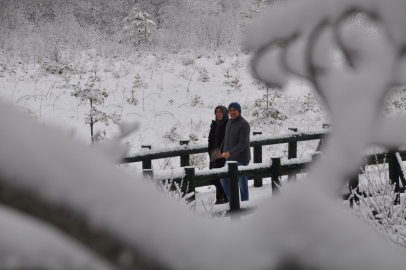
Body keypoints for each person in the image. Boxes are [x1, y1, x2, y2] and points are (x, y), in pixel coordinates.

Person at [221, 102, 251, 201]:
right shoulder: (229, 122)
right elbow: (227, 140)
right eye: (230, 110)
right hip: (230, 159)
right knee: (223, 180)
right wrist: (225, 153)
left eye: (234, 110)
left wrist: (231, 153)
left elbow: (243, 143)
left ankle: (244, 205)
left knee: (242, 186)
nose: (232, 112)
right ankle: (233, 203)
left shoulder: (244, 124)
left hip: (241, 159)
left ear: (239, 111)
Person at [208, 105, 229, 204]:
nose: (219, 114)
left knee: (223, 178)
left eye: (221, 111)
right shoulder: (214, 124)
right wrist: (210, 151)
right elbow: (210, 139)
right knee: (215, 178)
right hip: (215, 155)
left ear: (225, 113)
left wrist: (226, 153)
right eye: (217, 112)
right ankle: (221, 197)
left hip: (225, 155)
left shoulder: (229, 124)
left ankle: (223, 198)